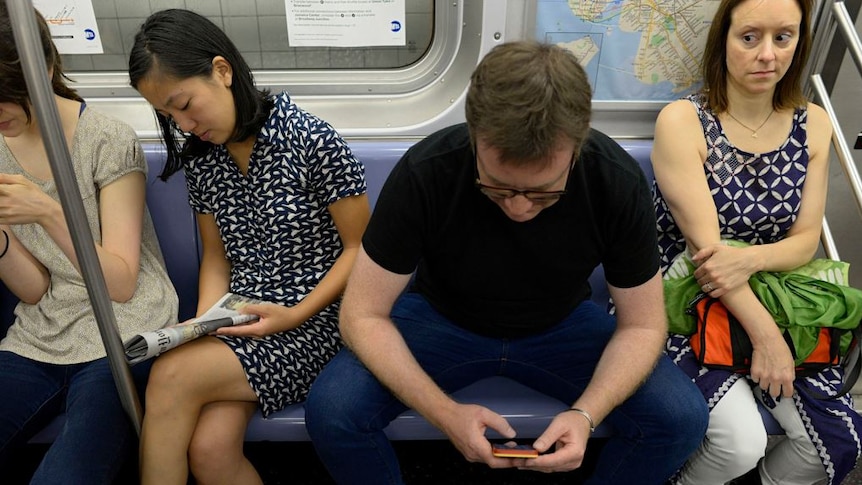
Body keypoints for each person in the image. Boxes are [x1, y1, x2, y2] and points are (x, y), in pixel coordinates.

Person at [304, 40, 708, 484]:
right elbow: (362, 314)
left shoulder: (614, 181)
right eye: (497, 187)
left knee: (680, 420)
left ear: (578, 146)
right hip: (440, 319)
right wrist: (444, 414)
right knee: (332, 411)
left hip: (563, 324)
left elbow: (643, 325)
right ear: (474, 135)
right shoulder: (427, 171)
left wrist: (587, 414)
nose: (518, 209)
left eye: (543, 193)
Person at [128, 8, 370, 485]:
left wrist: (295, 314)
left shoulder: (313, 141)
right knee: (211, 451)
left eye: (184, 104)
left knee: (172, 377)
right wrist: (203, 323)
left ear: (222, 71)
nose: (183, 123)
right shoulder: (204, 160)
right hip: (241, 315)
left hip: (316, 319)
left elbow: (362, 249)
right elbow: (216, 257)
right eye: (167, 115)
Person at [651, 0, 862, 483]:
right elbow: (707, 258)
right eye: (750, 38)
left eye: (783, 38)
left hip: (772, 292)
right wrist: (767, 339)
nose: (767, 54)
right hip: (683, 297)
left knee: (838, 440)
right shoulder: (684, 122)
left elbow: (806, 240)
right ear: (722, 40)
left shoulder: (814, 124)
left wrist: (748, 263)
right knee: (738, 441)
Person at [0, 4, 179, 484]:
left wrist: (47, 211)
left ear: (45, 71)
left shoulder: (106, 139)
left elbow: (120, 283)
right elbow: (35, 290)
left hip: (122, 327)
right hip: (42, 331)